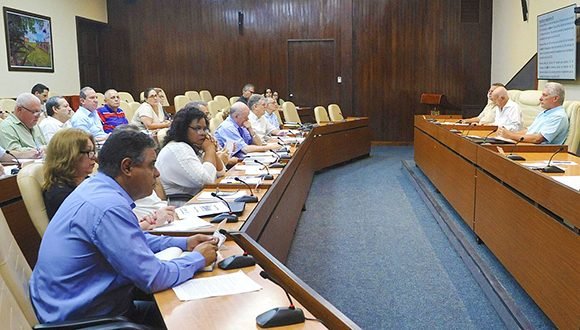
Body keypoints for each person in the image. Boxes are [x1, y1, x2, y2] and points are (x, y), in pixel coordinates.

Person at [30, 129, 218, 326]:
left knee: (190, 313)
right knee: (196, 319)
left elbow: (131, 240)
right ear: (127, 167)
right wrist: (198, 258)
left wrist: (184, 242)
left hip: (87, 308)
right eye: (151, 165)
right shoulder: (107, 206)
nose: (157, 173)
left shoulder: (95, 188)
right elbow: (154, 278)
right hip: (84, 321)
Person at [156, 106, 222, 197]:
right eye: (197, 128)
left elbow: (221, 173)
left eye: (204, 129)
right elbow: (207, 181)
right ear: (183, 128)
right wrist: (209, 149)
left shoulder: (192, 146)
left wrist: (211, 150)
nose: (203, 133)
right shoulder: (178, 148)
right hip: (180, 205)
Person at [42, 129, 97, 219]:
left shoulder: (87, 181)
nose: (94, 157)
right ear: (70, 156)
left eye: (93, 151)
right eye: (88, 152)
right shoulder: (60, 195)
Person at [498, 82, 569, 144]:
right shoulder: (546, 112)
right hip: (529, 145)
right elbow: (529, 131)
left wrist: (511, 136)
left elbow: (537, 139)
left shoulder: (558, 116)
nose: (540, 98)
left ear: (555, 98)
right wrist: (507, 134)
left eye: (545, 95)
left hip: (541, 152)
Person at [214, 102, 280, 158]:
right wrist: (268, 147)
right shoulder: (228, 127)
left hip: (244, 159)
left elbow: (258, 144)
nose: (248, 119)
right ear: (236, 116)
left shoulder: (242, 124)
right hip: (232, 164)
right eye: (245, 117)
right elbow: (245, 149)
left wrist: (250, 129)